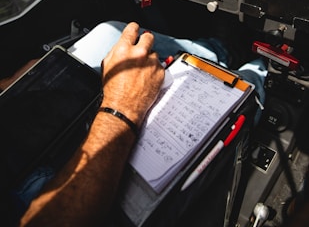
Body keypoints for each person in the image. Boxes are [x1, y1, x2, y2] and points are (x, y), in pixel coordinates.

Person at [0, 20, 267, 226]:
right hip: (49, 206)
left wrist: (12, 87)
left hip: (14, 141)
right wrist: (122, 105)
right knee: (232, 96)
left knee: (109, 33)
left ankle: (220, 49)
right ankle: (261, 66)